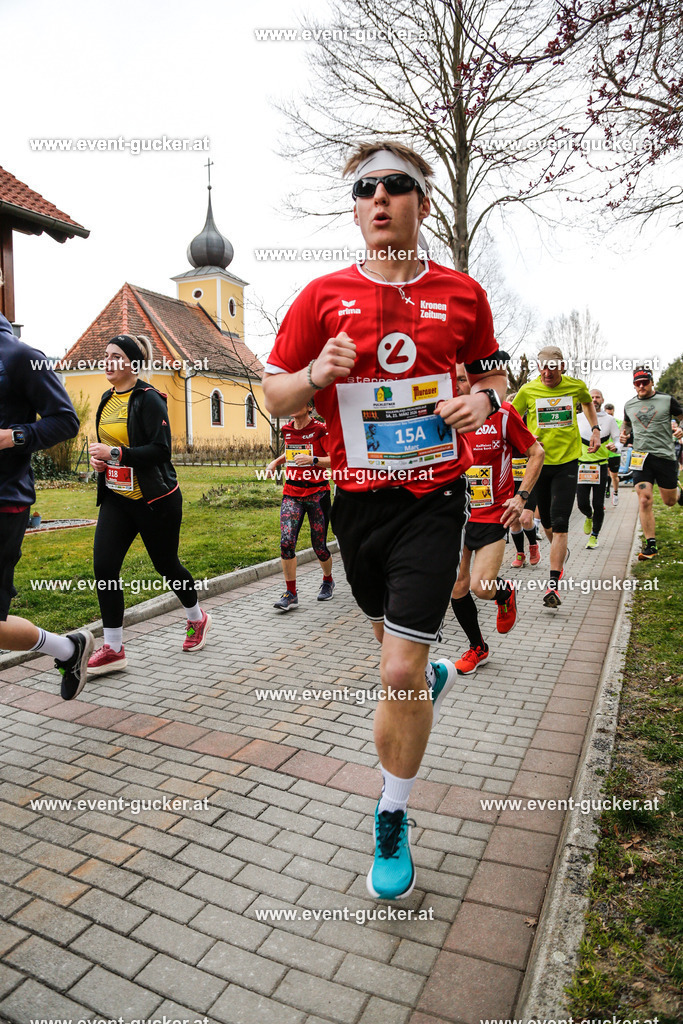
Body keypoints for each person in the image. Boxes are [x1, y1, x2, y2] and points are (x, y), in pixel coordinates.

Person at [263, 140, 508, 901]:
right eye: (365, 188)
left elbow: (496, 370)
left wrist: (486, 401)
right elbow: (274, 396)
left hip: (433, 502)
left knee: (395, 673)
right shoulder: (321, 296)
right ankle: (427, 668)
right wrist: (313, 375)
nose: (377, 198)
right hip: (356, 507)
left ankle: (391, 814)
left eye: (395, 185)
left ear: (421, 204)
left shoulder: (461, 293)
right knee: (394, 661)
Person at [87, 334, 210, 674]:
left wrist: (115, 454)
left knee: (167, 565)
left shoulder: (149, 398)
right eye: (105, 355)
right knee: (104, 569)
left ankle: (197, 618)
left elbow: (161, 450)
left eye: (114, 356)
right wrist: (103, 462)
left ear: (131, 362)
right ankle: (113, 648)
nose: (107, 362)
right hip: (117, 498)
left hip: (155, 499)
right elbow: (111, 445)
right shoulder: (106, 398)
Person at [0, 309, 93, 699]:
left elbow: (65, 420)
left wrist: (12, 436)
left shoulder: (19, 356)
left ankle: (68, 649)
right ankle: (68, 649)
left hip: (4, 502)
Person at [450, 366, 544, 674]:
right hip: (455, 515)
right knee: (457, 587)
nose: (457, 386)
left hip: (493, 514)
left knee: (481, 586)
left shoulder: (502, 414)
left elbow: (536, 452)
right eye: (453, 380)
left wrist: (522, 497)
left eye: (462, 379)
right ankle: (478, 647)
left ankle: (505, 594)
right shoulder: (446, 415)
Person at [512, 347, 600, 607]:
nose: (547, 372)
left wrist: (594, 429)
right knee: (547, 523)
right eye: (543, 367)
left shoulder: (576, 386)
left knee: (561, 522)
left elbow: (586, 402)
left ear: (562, 366)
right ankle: (558, 553)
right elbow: (511, 417)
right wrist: (523, 438)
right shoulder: (527, 391)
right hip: (538, 464)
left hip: (567, 463)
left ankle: (553, 586)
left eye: (552, 366)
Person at [266, 400, 334, 610]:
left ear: (309, 407)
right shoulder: (286, 429)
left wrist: (313, 460)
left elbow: (334, 458)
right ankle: (291, 593)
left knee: (319, 546)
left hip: (317, 493)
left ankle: (328, 580)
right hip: (292, 493)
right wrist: (275, 462)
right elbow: (292, 453)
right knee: (286, 543)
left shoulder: (320, 429)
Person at [620, 366, 683, 560]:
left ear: (651, 381)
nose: (641, 386)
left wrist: (681, 428)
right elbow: (626, 425)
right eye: (637, 383)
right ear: (633, 384)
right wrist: (623, 435)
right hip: (641, 458)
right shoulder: (629, 405)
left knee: (669, 501)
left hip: (664, 456)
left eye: (644, 382)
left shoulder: (666, 400)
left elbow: (682, 417)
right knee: (644, 499)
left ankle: (679, 494)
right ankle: (651, 546)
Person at [576, 395, 619, 549]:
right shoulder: (578, 418)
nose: (594, 399)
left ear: (602, 400)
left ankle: (594, 536)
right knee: (582, 503)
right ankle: (589, 515)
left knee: (598, 503)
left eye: (597, 397)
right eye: (591, 397)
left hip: (600, 466)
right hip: (582, 466)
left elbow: (618, 439)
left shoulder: (609, 420)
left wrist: (616, 447)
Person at [603, 401, 622, 503]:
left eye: (611, 414)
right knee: (604, 475)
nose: (610, 416)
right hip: (604, 452)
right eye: (608, 414)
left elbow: (623, 435)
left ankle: (615, 493)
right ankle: (605, 491)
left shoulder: (619, 422)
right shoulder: (600, 422)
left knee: (614, 476)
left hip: (614, 453)